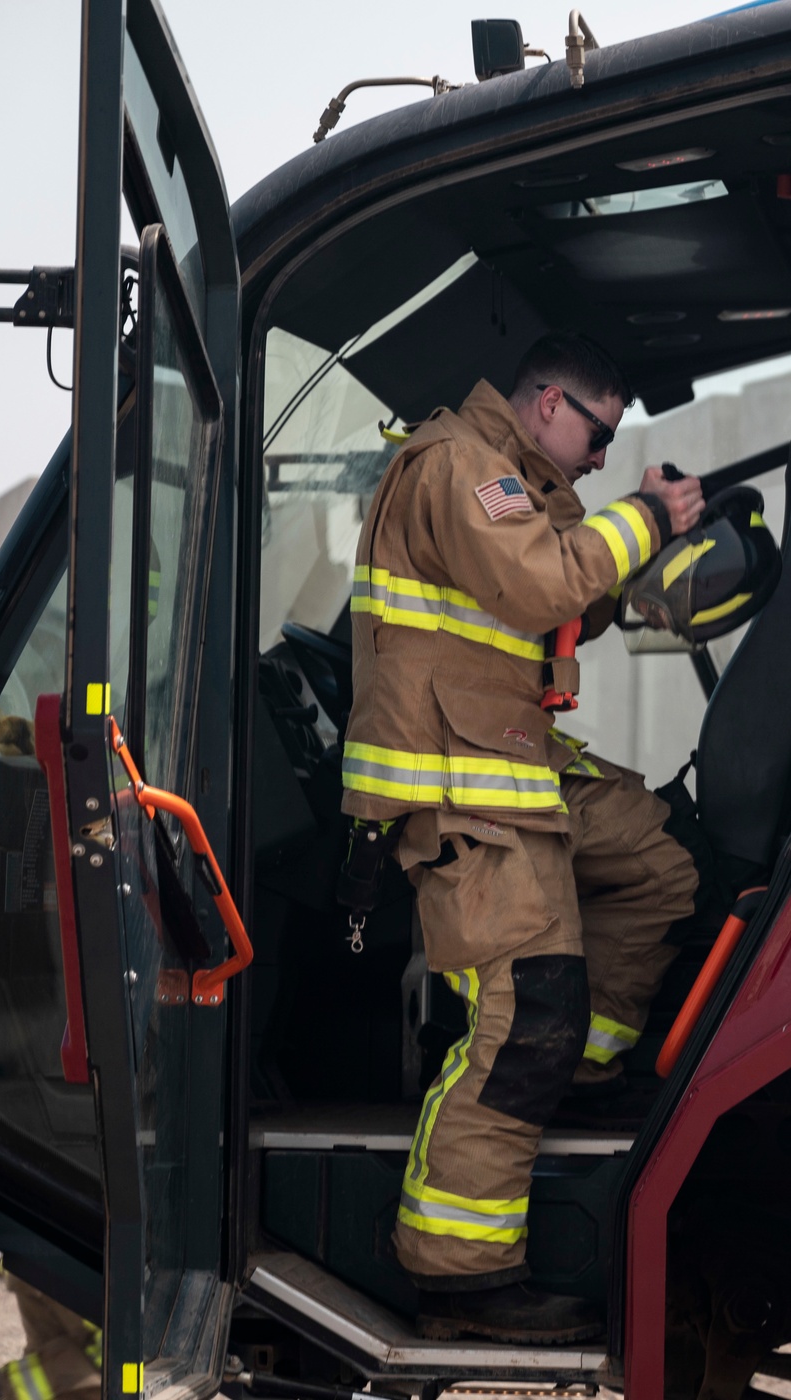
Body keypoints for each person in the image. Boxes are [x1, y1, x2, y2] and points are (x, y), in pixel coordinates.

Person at [341, 332, 703, 1344]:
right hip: (461, 789)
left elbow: (567, 600)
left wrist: (662, 540)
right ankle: (459, 1280)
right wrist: (642, 516)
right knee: (520, 1024)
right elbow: (542, 584)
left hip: (512, 762)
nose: (600, 456)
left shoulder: (522, 483)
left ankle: (582, 1073)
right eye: (598, 433)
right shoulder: (461, 465)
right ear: (549, 403)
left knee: (661, 866)